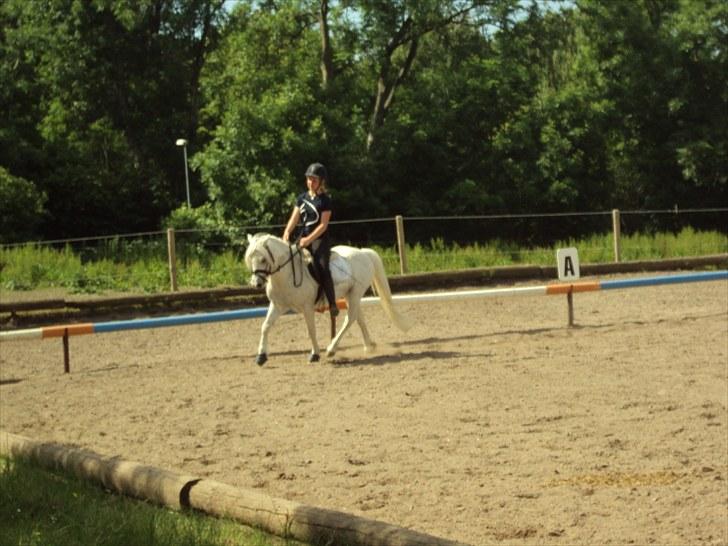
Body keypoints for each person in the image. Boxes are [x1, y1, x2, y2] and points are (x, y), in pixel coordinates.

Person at [282, 162, 339, 318]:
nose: (310, 182)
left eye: (313, 180)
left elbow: (323, 225)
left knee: (323, 268)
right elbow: (294, 218)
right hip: (303, 238)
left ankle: (332, 303)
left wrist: (309, 240)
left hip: (320, 241)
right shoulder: (301, 198)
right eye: (308, 179)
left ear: (321, 181)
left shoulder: (325, 200)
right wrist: (287, 231)